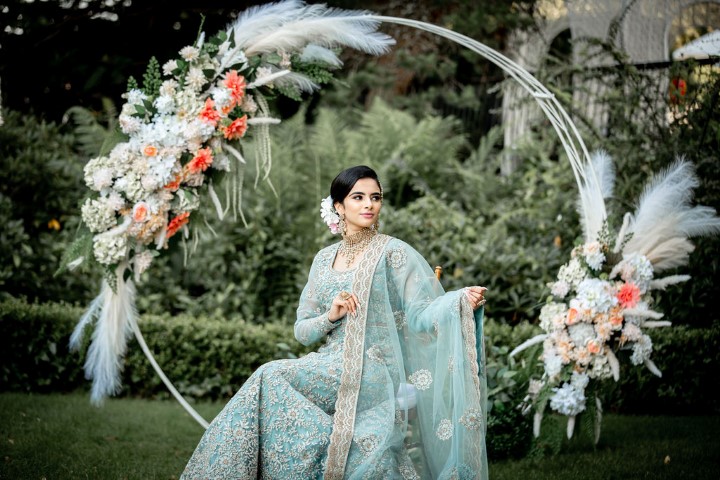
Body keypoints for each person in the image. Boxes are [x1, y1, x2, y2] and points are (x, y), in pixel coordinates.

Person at [181, 165, 488, 480]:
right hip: (329, 362)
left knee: (269, 374)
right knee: (269, 378)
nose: (369, 204)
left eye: (375, 197)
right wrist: (331, 315)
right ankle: (316, 453)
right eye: (358, 197)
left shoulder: (393, 252)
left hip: (373, 369)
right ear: (339, 206)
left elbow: (420, 312)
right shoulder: (323, 259)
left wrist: (458, 300)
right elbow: (302, 331)